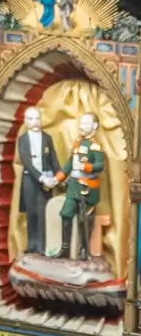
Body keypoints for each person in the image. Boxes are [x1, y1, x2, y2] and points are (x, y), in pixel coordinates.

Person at [56, 110, 106, 263]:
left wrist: (85, 166)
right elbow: (70, 164)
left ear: (94, 125)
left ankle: (84, 249)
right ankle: (64, 248)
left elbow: (100, 165)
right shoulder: (77, 142)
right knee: (66, 214)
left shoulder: (95, 146)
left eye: (85, 123)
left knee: (84, 219)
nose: (81, 126)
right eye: (81, 122)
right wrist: (58, 178)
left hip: (87, 189)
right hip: (73, 187)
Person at [15, 104, 58, 256]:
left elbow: (53, 159)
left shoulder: (47, 138)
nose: (34, 121)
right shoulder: (23, 139)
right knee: (31, 212)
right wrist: (40, 178)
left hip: (46, 180)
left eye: (37, 118)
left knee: (43, 212)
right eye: (31, 118)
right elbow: (26, 161)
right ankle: (31, 244)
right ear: (25, 121)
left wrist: (58, 177)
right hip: (30, 179)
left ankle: (42, 245)